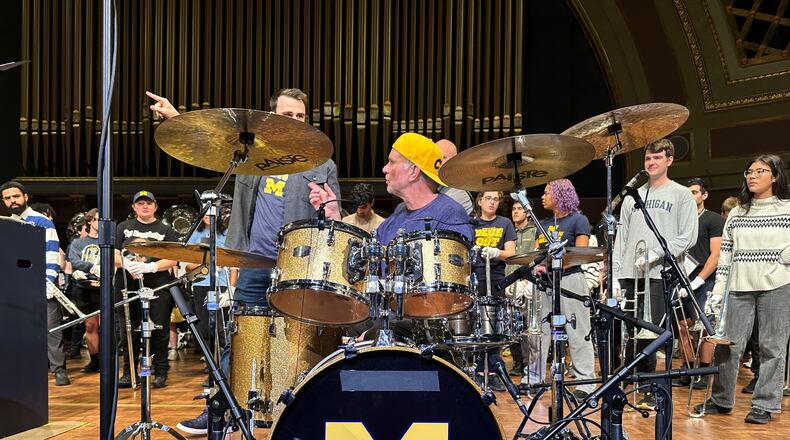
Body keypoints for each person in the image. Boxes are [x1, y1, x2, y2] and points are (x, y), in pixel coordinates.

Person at [149, 88, 341, 435]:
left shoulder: (320, 163)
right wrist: (177, 118)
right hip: (255, 265)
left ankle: (301, 411)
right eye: (287, 115)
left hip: (297, 267)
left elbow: (334, 220)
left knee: (301, 343)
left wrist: (327, 208)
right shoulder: (250, 155)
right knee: (239, 341)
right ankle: (221, 410)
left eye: (300, 116)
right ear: (272, 118)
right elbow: (211, 143)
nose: (295, 121)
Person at [311, 133, 473, 342]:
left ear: (413, 171)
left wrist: (375, 332)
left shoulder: (449, 214)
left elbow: (448, 296)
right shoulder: (394, 220)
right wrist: (335, 217)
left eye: (392, 162)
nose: (384, 169)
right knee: (322, 320)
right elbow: (362, 264)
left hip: (423, 325)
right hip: (383, 315)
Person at [696, 154, 790, 424]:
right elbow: (725, 255)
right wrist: (718, 291)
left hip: (778, 285)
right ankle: (721, 399)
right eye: (749, 171)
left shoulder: (787, 209)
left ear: (775, 176)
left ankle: (765, 404)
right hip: (738, 286)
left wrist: (783, 257)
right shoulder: (737, 213)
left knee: (772, 346)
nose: (752, 176)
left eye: (760, 171)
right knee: (728, 346)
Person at [611, 139, 698, 409]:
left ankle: (650, 387)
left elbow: (688, 236)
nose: (651, 163)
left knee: (651, 333)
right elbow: (622, 239)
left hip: (659, 274)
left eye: (657, 158)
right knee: (630, 333)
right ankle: (629, 382)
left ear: (669, 160)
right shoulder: (631, 196)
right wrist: (615, 274)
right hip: (630, 273)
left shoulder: (681, 194)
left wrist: (656, 254)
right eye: (648, 158)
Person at [523, 179, 597, 399]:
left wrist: (553, 265)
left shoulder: (578, 220)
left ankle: (585, 382)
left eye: (547, 192)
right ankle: (533, 378)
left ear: (560, 194)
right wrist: (537, 266)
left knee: (578, 330)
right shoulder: (543, 223)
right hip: (545, 282)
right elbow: (536, 253)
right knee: (539, 332)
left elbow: (580, 254)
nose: (542, 197)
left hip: (570, 279)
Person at [1, 181, 70, 386]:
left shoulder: (42, 222)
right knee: (19, 328)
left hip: (41, 281)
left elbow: (52, 252)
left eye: (16, 196)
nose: (12, 201)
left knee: (51, 328)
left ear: (25, 197)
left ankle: (58, 369)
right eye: (7, 198)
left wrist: (47, 281)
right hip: (15, 284)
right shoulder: (6, 224)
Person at [114, 191, 179, 389]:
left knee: (159, 329)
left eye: (148, 203)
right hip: (127, 284)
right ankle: (129, 372)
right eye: (140, 203)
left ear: (155, 206)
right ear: (134, 207)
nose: (145, 206)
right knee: (129, 329)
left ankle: (161, 371)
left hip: (158, 283)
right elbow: (112, 254)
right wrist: (127, 264)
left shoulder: (165, 229)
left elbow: (173, 258)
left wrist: (150, 267)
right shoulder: (123, 227)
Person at [668, 178, 724, 389]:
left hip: (704, 279)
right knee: (682, 325)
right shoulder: (679, 221)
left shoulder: (713, 219)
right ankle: (688, 369)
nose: (690, 196)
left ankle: (704, 371)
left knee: (704, 326)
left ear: (704, 195)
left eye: (694, 192)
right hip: (681, 279)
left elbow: (716, 254)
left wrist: (699, 280)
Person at [67, 208, 102, 373]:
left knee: (107, 325)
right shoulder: (78, 243)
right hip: (84, 288)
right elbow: (74, 260)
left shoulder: (109, 242)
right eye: (97, 219)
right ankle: (95, 360)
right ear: (89, 221)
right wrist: (92, 267)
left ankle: (107, 359)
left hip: (105, 286)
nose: (100, 223)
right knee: (90, 325)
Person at [506, 201, 537, 376]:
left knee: (527, 326)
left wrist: (527, 279)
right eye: (513, 208)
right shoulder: (509, 230)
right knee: (512, 325)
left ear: (527, 212)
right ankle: (518, 361)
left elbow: (536, 255)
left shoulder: (534, 231)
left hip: (526, 282)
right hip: (509, 282)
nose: (516, 212)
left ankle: (529, 363)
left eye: (520, 209)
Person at [435, 139, 475, 215]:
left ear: (454, 161)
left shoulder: (458, 194)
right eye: (435, 157)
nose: (437, 162)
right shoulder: (431, 184)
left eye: (443, 157)